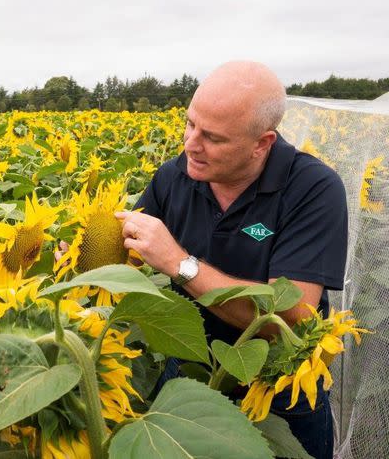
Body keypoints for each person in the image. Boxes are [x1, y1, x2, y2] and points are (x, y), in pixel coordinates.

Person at [115, 61, 347, 459]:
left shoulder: (313, 189)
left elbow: (291, 316)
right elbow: (130, 250)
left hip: (279, 390)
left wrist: (180, 263)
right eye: (190, 124)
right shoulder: (174, 177)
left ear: (262, 143)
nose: (191, 143)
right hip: (189, 374)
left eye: (213, 137)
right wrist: (87, 254)